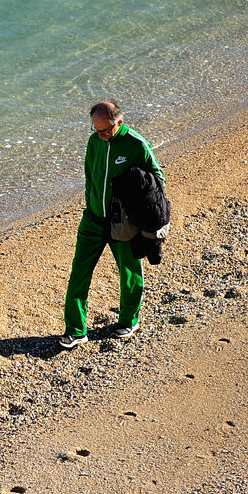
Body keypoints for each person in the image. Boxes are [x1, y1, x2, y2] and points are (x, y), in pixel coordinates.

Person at [59, 100, 165, 350]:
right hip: (93, 220)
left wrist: (134, 186)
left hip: (123, 223)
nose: (101, 135)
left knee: (129, 272)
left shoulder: (137, 145)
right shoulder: (95, 141)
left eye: (106, 130)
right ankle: (76, 331)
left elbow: (159, 180)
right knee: (78, 274)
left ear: (120, 122)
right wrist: (90, 205)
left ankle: (129, 321)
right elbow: (89, 176)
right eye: (96, 129)